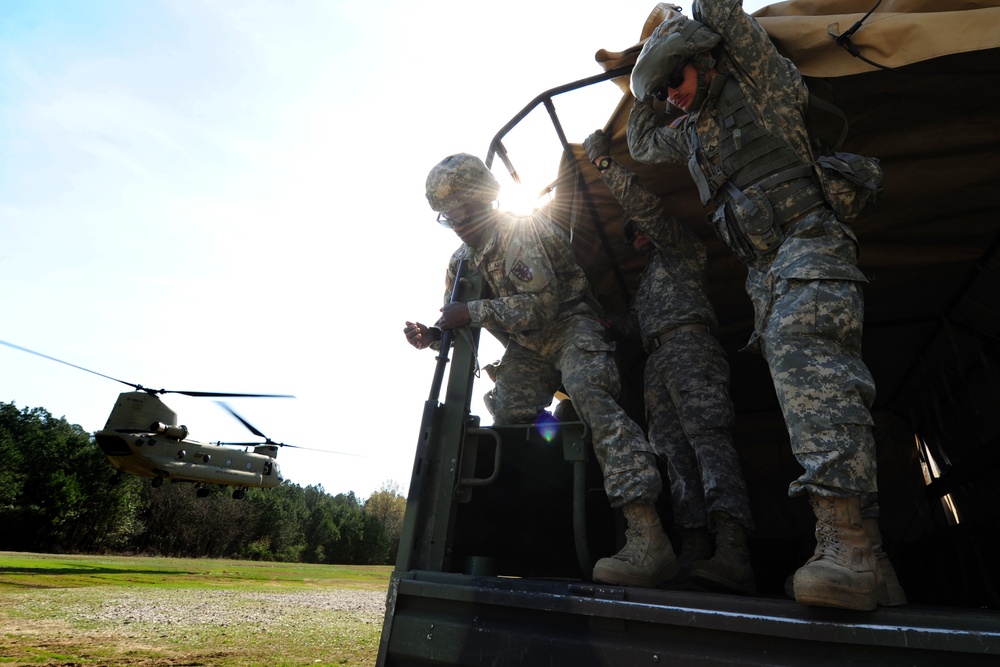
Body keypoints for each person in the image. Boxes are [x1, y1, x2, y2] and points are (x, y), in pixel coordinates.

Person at [625, 1, 904, 610]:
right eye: (663, 88)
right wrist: (646, 64)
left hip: (810, 245)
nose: (671, 95)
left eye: (678, 78)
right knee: (818, 393)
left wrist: (678, 24)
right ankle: (872, 559)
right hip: (767, 273)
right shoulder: (692, 135)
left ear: (707, 58)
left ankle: (847, 544)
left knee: (811, 374)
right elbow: (641, 142)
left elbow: (720, 9)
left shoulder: (760, 81)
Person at [404, 152, 677, 588]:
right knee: (508, 418)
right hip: (527, 348)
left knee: (592, 395)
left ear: (487, 200)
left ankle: (648, 534)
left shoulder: (522, 232)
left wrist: (470, 311)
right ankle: (543, 522)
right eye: (446, 217)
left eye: (464, 212)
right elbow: (459, 319)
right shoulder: (460, 263)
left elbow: (542, 306)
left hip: (569, 324)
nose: (457, 224)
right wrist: (435, 334)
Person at [585, 128, 756, 595]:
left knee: (708, 442)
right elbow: (630, 328)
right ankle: (695, 550)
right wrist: (599, 320)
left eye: (638, 228)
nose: (636, 235)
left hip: (690, 348)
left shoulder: (682, 249)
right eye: (630, 235)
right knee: (674, 457)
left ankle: (733, 551)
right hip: (658, 361)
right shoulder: (647, 286)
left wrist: (605, 165)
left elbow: (648, 211)